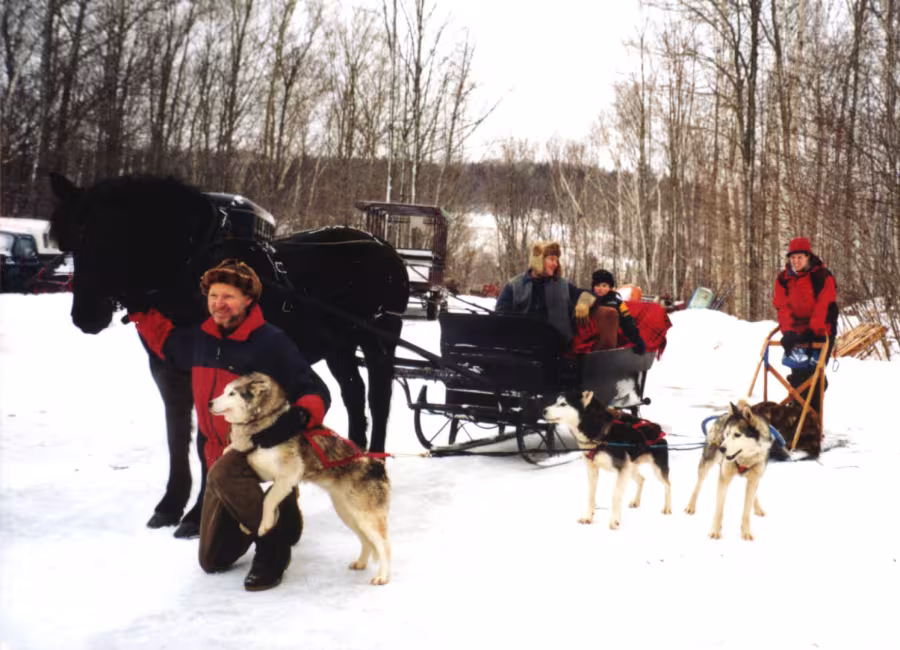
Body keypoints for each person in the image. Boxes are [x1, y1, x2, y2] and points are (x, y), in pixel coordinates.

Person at [128, 259, 331, 591]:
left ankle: (273, 543)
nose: (219, 304)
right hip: (217, 453)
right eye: (213, 295)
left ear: (248, 300)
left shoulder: (270, 342)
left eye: (229, 297)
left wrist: (296, 418)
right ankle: (284, 510)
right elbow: (165, 342)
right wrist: (139, 312)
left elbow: (314, 390)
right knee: (213, 559)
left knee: (224, 472)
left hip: (256, 448)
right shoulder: (199, 339)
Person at [774, 237, 838, 399]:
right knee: (798, 374)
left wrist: (814, 331)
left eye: (800, 257)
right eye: (793, 257)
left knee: (813, 375)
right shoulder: (784, 279)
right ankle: (798, 413)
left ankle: (811, 418)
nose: (796, 261)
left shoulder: (822, 276)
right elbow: (783, 307)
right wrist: (787, 332)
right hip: (797, 332)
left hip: (822, 330)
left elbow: (823, 306)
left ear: (808, 256)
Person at [495, 241, 595, 341]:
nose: (555, 264)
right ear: (538, 260)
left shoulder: (563, 286)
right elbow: (501, 315)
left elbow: (588, 294)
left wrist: (585, 300)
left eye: (557, 260)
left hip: (556, 347)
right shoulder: (514, 286)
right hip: (521, 346)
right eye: (551, 259)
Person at [572, 269, 646, 355]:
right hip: (590, 336)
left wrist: (637, 340)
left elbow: (627, 320)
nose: (601, 289)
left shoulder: (616, 300)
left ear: (610, 287)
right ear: (593, 286)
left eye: (604, 285)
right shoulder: (588, 297)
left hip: (609, 336)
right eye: (598, 285)